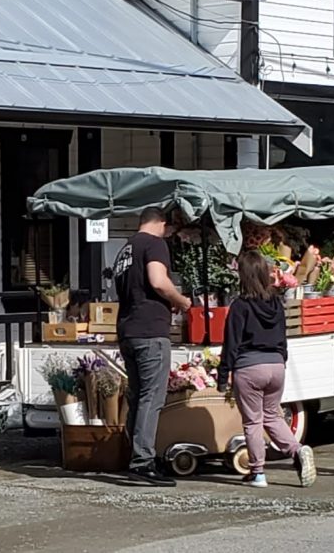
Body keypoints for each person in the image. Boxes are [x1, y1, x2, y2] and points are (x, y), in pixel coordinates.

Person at [217, 251, 317, 489]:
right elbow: (282, 337)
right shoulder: (276, 303)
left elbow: (231, 343)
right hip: (276, 366)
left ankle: (258, 473)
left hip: (249, 366)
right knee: (272, 415)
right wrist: (281, 360)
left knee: (253, 421)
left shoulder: (240, 306)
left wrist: (223, 376)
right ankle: (297, 450)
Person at [113, 207, 191, 486]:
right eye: (168, 229)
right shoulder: (155, 244)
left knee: (137, 396)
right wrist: (181, 301)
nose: (168, 234)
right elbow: (158, 281)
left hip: (127, 329)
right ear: (161, 223)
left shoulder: (125, 249)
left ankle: (134, 455)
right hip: (150, 330)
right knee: (151, 397)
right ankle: (143, 461)